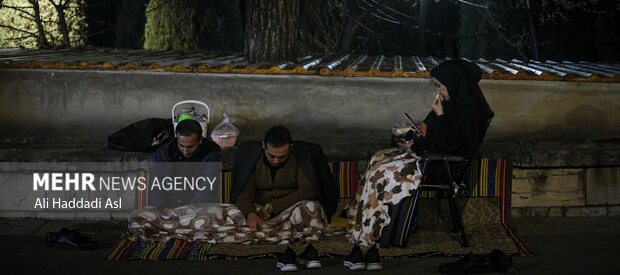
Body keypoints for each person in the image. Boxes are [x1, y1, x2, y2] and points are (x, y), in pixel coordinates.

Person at [346, 59, 493, 261]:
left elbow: (449, 145)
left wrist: (436, 121)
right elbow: (436, 136)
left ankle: (381, 230)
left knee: (384, 170)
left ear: (455, 83)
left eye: (441, 86)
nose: (439, 91)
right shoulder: (453, 104)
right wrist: (421, 129)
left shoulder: (471, 111)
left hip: (443, 165)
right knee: (378, 157)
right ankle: (360, 220)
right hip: (431, 155)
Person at [231, 125, 339, 271]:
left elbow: (307, 190)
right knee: (230, 212)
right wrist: (250, 213)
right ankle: (274, 231)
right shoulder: (253, 157)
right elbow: (245, 192)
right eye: (271, 156)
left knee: (311, 208)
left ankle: (284, 239)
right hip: (259, 210)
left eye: (281, 157)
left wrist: (273, 207)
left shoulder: (300, 157)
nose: (276, 161)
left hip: (291, 209)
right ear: (264, 146)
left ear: (290, 148)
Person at [150, 119, 221, 208]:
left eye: (190, 147)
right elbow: (155, 187)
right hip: (168, 205)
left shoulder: (211, 153)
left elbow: (207, 191)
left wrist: (186, 210)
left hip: (199, 207)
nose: (185, 151)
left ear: (200, 141)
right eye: (181, 146)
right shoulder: (164, 153)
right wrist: (163, 208)